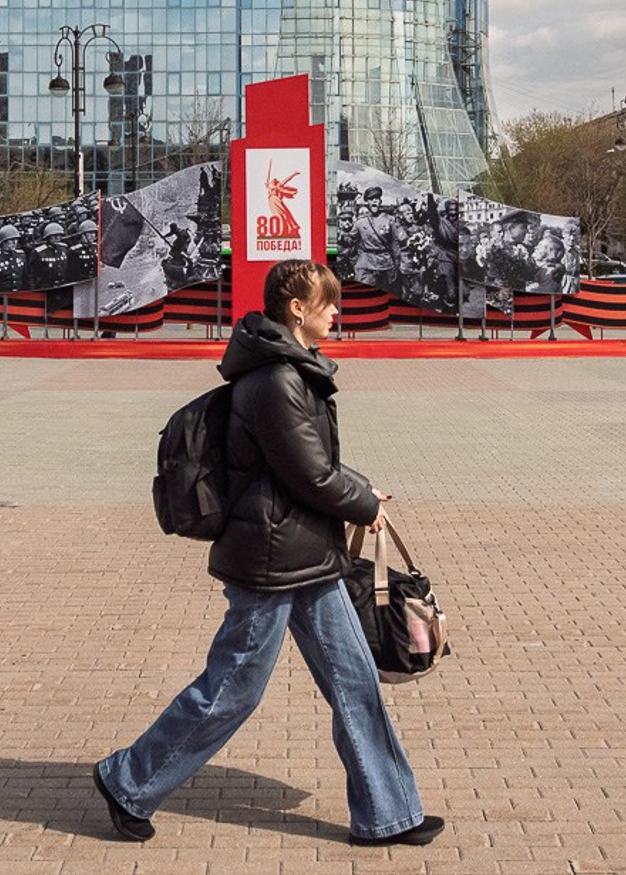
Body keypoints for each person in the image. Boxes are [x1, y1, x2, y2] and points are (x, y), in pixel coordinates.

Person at [94, 259, 443, 848]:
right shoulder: (277, 379)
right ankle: (129, 781)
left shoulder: (288, 370)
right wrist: (359, 502)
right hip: (272, 559)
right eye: (327, 301)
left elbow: (310, 463)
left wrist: (362, 488)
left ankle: (389, 813)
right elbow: (309, 473)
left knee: (355, 682)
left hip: (306, 554)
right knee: (234, 689)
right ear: (296, 308)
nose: (338, 310)